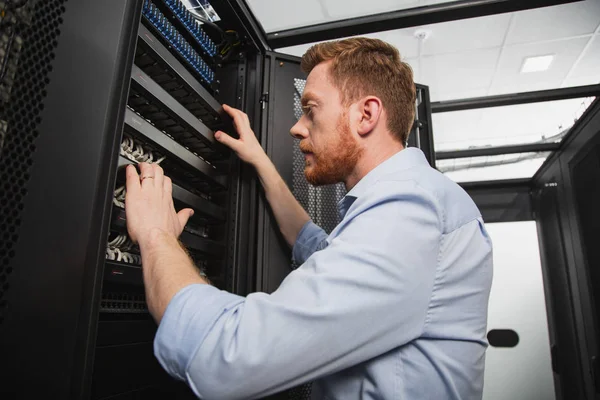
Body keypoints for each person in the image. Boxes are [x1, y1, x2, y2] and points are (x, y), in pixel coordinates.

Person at [125, 37, 493, 399]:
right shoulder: (418, 200)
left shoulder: (413, 211)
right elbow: (313, 244)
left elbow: (225, 356)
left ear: (366, 114)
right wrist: (261, 162)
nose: (297, 127)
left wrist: (156, 234)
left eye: (311, 109)